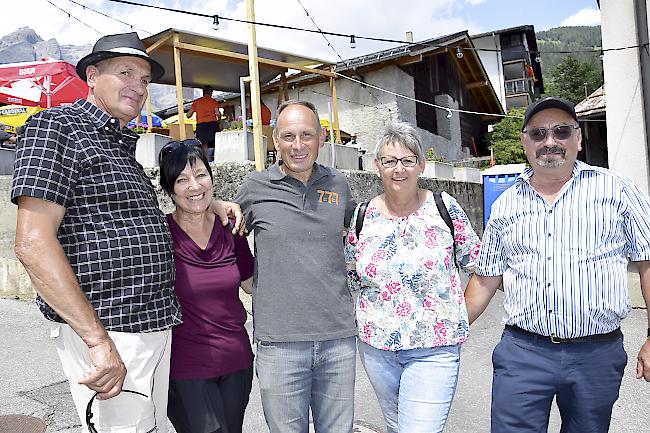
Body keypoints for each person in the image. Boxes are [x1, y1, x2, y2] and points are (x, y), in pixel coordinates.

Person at [12, 32, 241, 433]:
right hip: (111, 330)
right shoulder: (59, 126)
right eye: (125, 73)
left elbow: (131, 221)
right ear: (92, 75)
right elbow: (32, 242)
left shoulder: (120, 146)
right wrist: (98, 343)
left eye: (145, 79)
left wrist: (210, 204)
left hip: (150, 327)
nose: (137, 85)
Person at [464, 96, 650, 433]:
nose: (550, 141)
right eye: (538, 134)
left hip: (596, 354)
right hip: (522, 354)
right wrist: (446, 330)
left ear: (578, 138)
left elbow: (648, 262)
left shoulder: (617, 190)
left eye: (561, 131)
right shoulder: (506, 205)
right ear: (525, 142)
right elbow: (485, 279)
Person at [344, 122, 481, 433]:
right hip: (377, 351)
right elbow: (352, 276)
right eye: (390, 161)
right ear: (377, 165)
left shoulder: (443, 208)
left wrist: (458, 317)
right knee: (397, 427)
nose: (399, 170)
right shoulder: (362, 216)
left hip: (434, 351)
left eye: (407, 160)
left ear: (421, 164)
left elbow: (482, 269)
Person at [234, 100, 357, 433]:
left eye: (307, 135)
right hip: (280, 343)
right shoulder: (255, 187)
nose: (298, 145)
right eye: (289, 136)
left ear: (320, 138)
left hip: (338, 340)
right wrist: (249, 279)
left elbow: (363, 237)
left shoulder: (338, 185)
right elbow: (226, 235)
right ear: (275, 140)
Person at [158, 140, 254, 433]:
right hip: (186, 367)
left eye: (201, 175)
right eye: (182, 180)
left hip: (236, 362)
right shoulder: (161, 233)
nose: (194, 186)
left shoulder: (230, 228)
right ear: (169, 188)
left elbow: (252, 285)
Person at [187, 85, 220, 157]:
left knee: (203, 143)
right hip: (212, 123)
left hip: (201, 124)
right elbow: (217, 113)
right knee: (216, 141)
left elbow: (188, 115)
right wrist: (219, 121)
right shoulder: (213, 101)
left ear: (203, 92)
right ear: (211, 92)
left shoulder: (196, 102)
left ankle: (206, 160)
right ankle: (217, 158)